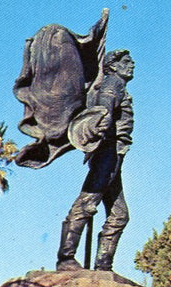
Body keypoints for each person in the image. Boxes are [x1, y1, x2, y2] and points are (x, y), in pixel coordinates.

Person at [56, 49, 135, 272]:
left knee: (119, 215)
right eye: (126, 61)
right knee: (87, 202)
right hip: (108, 152)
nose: (132, 64)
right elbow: (102, 112)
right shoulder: (113, 84)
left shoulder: (116, 84)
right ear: (114, 66)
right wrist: (103, 123)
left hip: (115, 153)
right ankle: (66, 257)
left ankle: (103, 264)